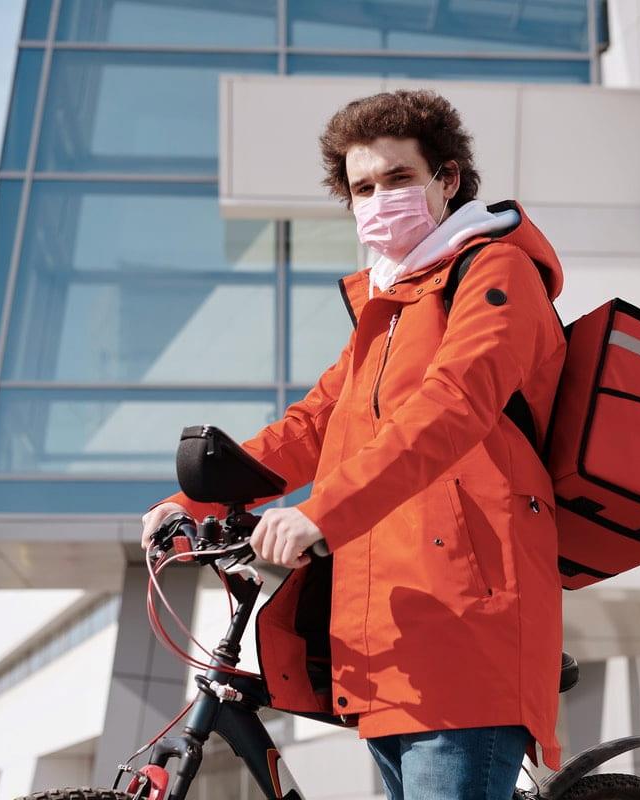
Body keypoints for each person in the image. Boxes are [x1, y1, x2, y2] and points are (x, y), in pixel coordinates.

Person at [141, 89, 567, 800]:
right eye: (362, 186)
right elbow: (312, 425)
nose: (378, 199)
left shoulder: (494, 272)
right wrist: (193, 498)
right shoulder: (388, 307)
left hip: (466, 625)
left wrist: (321, 513)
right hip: (386, 637)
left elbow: (453, 406)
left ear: (448, 180)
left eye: (398, 179)